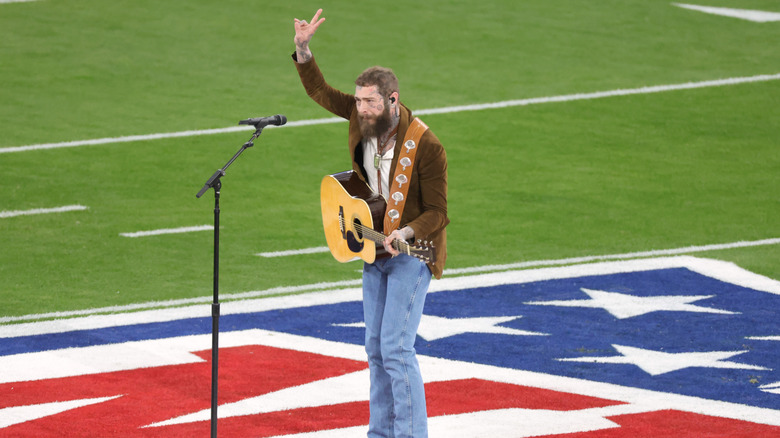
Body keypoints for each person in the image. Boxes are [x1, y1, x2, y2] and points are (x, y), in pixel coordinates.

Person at [292, 9, 448, 438]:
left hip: (414, 253)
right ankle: (380, 433)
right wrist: (304, 50)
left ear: (393, 100)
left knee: (397, 349)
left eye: (370, 102)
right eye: (358, 101)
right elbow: (321, 91)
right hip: (373, 246)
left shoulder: (427, 146)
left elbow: (438, 213)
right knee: (375, 349)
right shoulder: (360, 119)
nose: (360, 110)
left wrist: (407, 232)